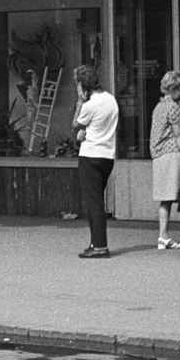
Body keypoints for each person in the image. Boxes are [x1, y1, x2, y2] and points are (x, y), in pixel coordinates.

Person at [73, 64, 120, 259]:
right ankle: (95, 242)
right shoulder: (111, 100)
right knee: (97, 200)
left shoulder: (89, 105)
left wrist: (79, 102)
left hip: (90, 155)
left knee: (93, 203)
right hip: (107, 155)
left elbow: (75, 124)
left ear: (83, 85)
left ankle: (100, 245)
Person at [150, 69, 180, 250]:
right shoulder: (174, 107)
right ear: (175, 88)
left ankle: (163, 236)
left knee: (165, 198)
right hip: (173, 154)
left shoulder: (159, 107)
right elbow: (178, 134)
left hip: (158, 155)